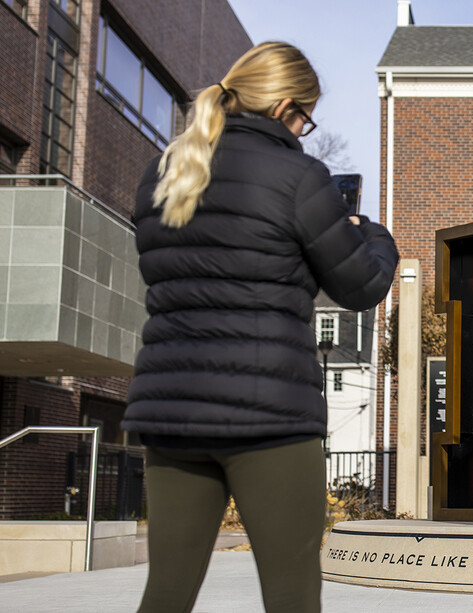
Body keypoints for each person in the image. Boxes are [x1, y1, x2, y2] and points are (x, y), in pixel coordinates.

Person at [122, 42, 398, 612]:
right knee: (292, 594)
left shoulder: (165, 172)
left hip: (173, 416)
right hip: (268, 416)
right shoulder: (297, 176)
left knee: (166, 593)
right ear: (283, 108)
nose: (304, 130)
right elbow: (360, 287)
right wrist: (372, 234)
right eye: (305, 117)